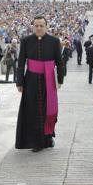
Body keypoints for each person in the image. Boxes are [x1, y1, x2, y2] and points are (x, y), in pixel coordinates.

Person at [15, 16, 65, 152]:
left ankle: (48, 137)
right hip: (31, 80)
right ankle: (36, 141)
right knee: (32, 110)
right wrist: (19, 81)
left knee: (48, 109)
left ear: (46, 26)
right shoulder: (26, 41)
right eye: (36, 25)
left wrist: (60, 79)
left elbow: (59, 62)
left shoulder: (54, 41)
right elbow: (21, 62)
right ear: (33, 26)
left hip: (48, 80)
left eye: (41, 25)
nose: (38, 28)